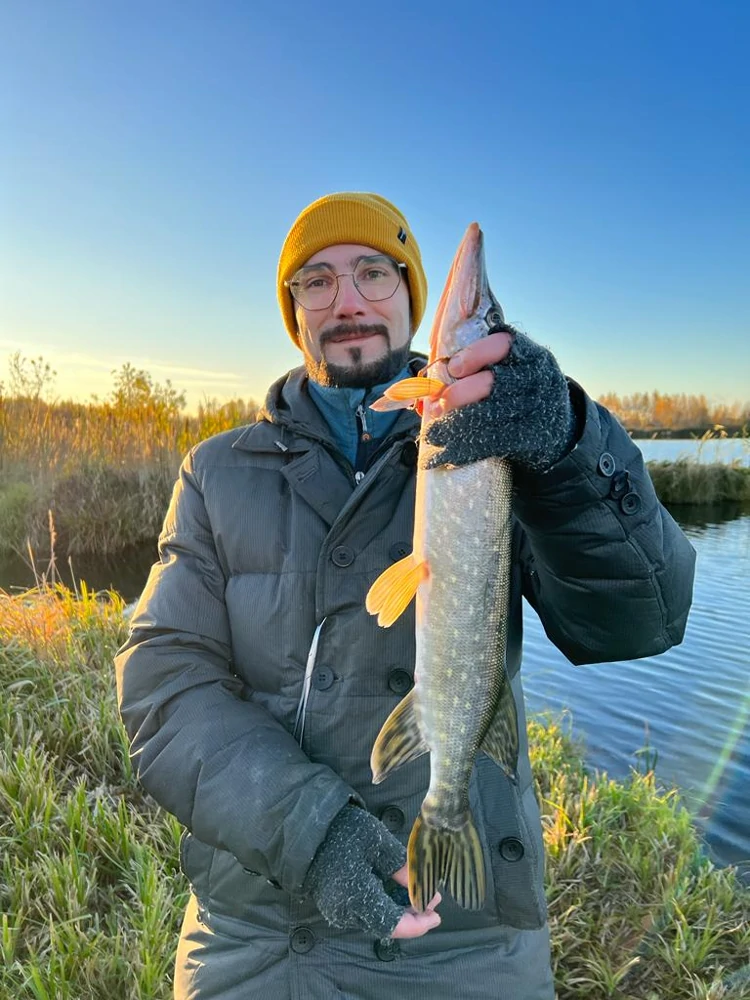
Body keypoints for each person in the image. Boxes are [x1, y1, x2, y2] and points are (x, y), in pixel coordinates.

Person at [115, 192, 696, 999]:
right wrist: (307, 834)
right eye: (315, 282)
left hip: (467, 940)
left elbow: (641, 620)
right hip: (262, 928)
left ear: (411, 297)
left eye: (373, 273)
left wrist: (569, 445)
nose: (347, 301)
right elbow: (162, 682)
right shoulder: (217, 471)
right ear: (295, 312)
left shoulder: (503, 438)